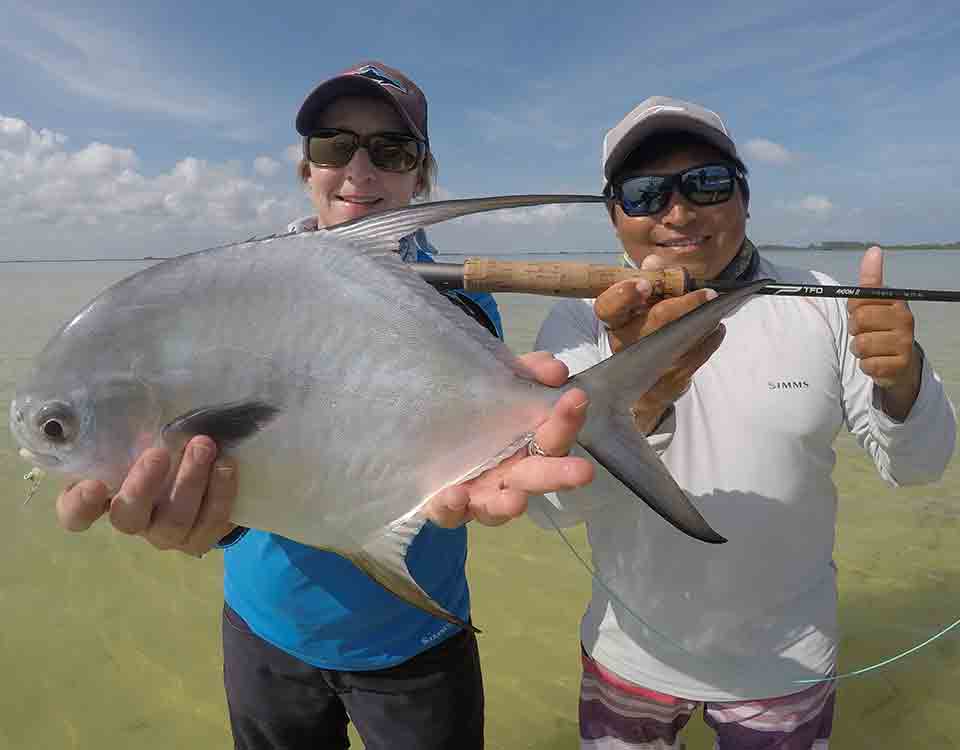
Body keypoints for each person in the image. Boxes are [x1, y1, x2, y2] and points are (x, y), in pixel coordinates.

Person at [55, 61, 594, 750]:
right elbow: (255, 445)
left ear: (421, 176)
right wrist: (209, 518)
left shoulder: (463, 303)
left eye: (391, 151)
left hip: (415, 638)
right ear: (306, 167)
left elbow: (455, 441)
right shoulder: (236, 289)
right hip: (265, 631)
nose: (358, 172)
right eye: (334, 147)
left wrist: (535, 423)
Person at [530, 96, 957, 749]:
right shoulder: (577, 322)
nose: (678, 213)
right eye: (644, 194)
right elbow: (550, 508)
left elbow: (918, 467)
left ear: (746, 198)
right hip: (630, 656)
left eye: (706, 183)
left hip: (785, 664)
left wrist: (903, 378)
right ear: (615, 217)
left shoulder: (829, 305)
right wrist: (639, 401)